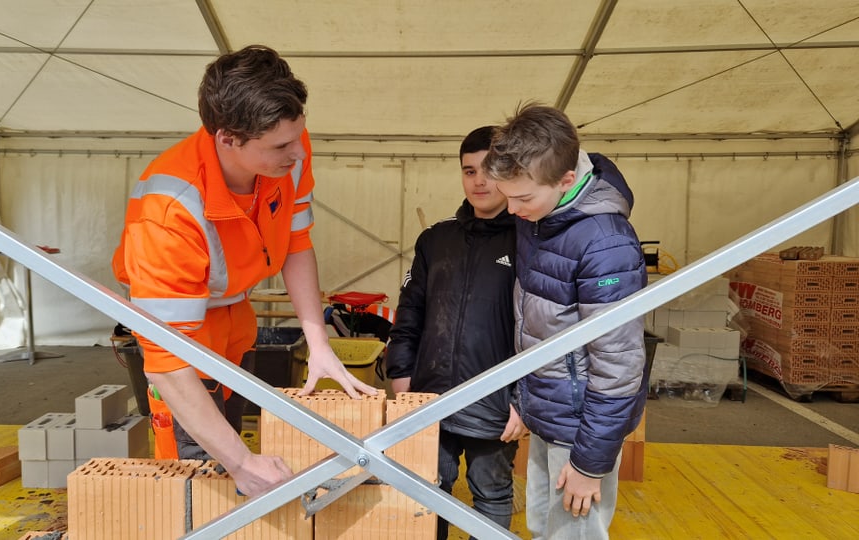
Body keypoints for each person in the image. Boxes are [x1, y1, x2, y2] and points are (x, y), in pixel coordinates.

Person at [111, 45, 377, 496]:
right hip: (181, 330)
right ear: (227, 138)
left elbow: (296, 243)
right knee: (200, 471)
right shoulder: (168, 212)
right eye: (280, 146)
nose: (298, 153)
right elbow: (169, 367)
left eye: (299, 136)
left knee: (232, 427)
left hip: (235, 318)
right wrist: (240, 462)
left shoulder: (288, 146)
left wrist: (319, 340)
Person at [481, 103, 647, 539]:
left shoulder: (605, 244)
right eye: (507, 196)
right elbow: (537, 325)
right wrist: (524, 396)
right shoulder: (542, 216)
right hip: (550, 413)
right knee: (544, 526)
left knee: (573, 533)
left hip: (581, 427)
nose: (512, 209)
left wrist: (589, 463)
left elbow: (619, 364)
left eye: (522, 198)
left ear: (567, 180)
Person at [384, 126, 529, 540]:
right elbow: (410, 311)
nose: (479, 181)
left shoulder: (529, 240)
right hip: (431, 398)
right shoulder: (436, 239)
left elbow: (541, 330)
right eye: (469, 171)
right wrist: (401, 375)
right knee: (430, 491)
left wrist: (525, 399)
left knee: (493, 493)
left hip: (496, 404)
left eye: (489, 169)